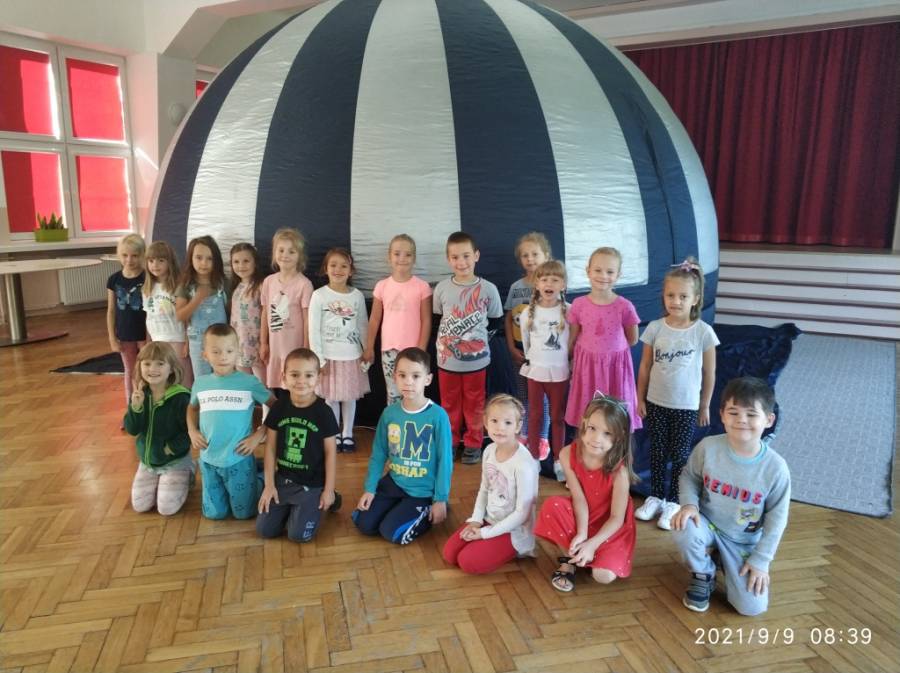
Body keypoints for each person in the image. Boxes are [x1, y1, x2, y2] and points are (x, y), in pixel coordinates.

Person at [672, 377, 790, 616]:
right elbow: (689, 477)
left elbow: (776, 521)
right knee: (683, 525)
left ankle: (721, 559)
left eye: (751, 414)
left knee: (751, 608)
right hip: (708, 526)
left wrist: (761, 560)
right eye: (733, 412)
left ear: (769, 420)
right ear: (722, 415)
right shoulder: (708, 447)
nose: (741, 420)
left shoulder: (776, 468)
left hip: (742, 541)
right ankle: (703, 573)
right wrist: (689, 505)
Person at [636, 258, 719, 530]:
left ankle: (674, 500)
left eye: (683, 296)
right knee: (657, 450)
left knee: (680, 454)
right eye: (671, 295)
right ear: (663, 296)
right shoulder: (655, 328)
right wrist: (640, 397)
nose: (676, 301)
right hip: (656, 401)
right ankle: (655, 496)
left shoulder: (703, 332)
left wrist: (704, 405)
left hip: (686, 405)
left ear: (695, 299)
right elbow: (645, 366)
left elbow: (709, 372)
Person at [535, 394, 638, 593]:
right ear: (584, 424)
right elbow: (579, 498)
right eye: (592, 428)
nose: (597, 439)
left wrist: (592, 544)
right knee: (552, 505)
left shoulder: (620, 472)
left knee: (603, 576)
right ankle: (569, 559)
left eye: (607, 433)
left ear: (620, 436)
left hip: (610, 527)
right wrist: (582, 534)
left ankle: (590, 554)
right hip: (582, 514)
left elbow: (616, 518)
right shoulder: (567, 454)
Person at [353, 347, 453, 544]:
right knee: (363, 523)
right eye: (402, 375)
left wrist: (440, 498)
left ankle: (427, 510)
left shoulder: (438, 416)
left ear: (428, 379)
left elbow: (445, 461)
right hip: (394, 483)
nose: (408, 381)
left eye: (416, 376)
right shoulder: (389, 413)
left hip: (422, 491)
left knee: (391, 533)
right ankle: (397, 507)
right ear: (395, 377)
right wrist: (370, 489)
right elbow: (379, 454)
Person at [442, 394, 539, 574]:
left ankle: (518, 549)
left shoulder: (524, 465)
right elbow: (485, 489)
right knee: (450, 554)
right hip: (489, 520)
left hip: (514, 530)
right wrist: (476, 520)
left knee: (467, 562)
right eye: (494, 421)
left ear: (518, 426)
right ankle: (488, 540)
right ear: (486, 422)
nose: (500, 428)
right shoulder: (488, 450)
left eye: (508, 423)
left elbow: (522, 514)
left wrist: (484, 534)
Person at [187, 324, 274, 520]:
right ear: (205, 355)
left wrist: (259, 434)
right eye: (216, 351)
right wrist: (192, 430)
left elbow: (276, 407)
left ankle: (259, 477)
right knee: (215, 514)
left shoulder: (249, 382)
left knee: (244, 514)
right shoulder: (200, 383)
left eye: (229, 351)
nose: (223, 357)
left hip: (238, 458)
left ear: (238, 352)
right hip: (208, 459)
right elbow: (191, 408)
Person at [257, 348, 341, 542]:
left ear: (318, 378)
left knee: (298, 536)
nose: (301, 381)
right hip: (283, 480)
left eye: (308, 375)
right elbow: (270, 448)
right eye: (295, 375)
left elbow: (331, 453)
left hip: (312, 484)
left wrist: (328, 490)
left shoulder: (324, 412)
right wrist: (269, 485)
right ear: (284, 377)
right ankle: (291, 507)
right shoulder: (279, 407)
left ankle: (333, 498)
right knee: (265, 531)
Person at [433, 231, 504, 464]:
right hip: (447, 361)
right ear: (448, 259)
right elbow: (437, 320)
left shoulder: (488, 289)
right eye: (455, 257)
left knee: (475, 403)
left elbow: (496, 321)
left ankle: (473, 443)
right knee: (449, 403)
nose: (461, 262)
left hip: (477, 361)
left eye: (466, 256)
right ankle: (451, 441)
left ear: (476, 256)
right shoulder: (442, 288)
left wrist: (476, 344)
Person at [564, 247, 641, 432]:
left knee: (615, 419)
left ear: (618, 275)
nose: (603, 276)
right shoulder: (578, 305)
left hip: (615, 368)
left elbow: (633, 339)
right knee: (588, 415)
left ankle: (616, 446)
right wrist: (572, 362)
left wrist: (610, 352)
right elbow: (573, 338)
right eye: (598, 270)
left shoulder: (624, 306)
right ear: (588, 271)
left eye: (610, 272)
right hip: (587, 367)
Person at [308, 248, 370, 451]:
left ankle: (348, 433)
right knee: (332, 397)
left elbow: (362, 325)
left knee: (349, 396)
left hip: (352, 356)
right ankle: (333, 433)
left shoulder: (357, 296)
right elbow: (313, 329)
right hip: (328, 357)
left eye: (344, 266)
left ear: (351, 271)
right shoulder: (319, 295)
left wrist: (366, 351)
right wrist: (319, 358)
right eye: (333, 265)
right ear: (326, 268)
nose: (338, 270)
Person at [125, 341, 193, 515]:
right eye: (147, 364)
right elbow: (132, 430)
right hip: (148, 462)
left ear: (171, 369)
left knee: (166, 509)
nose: (152, 369)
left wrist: (170, 449)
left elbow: (191, 433)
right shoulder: (141, 395)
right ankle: (158, 479)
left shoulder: (181, 398)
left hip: (174, 460)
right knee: (140, 506)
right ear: (140, 367)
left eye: (160, 364)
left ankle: (189, 471)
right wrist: (136, 407)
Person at [363, 234, 432, 406]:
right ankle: (394, 423)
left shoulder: (422, 287)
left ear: (414, 258)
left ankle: (414, 420)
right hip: (389, 350)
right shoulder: (382, 286)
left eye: (408, 254)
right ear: (389, 257)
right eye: (397, 254)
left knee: (414, 391)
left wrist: (421, 350)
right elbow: (374, 319)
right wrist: (369, 347)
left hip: (414, 350)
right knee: (393, 392)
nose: (402, 258)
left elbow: (426, 320)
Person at [520, 260, 570, 479]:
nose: (549, 284)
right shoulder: (528, 313)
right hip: (537, 372)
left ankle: (559, 460)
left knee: (558, 416)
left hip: (560, 373)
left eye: (555, 279)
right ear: (537, 283)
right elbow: (526, 343)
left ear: (563, 285)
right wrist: (535, 360)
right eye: (544, 279)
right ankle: (533, 458)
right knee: (535, 415)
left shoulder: (569, 311)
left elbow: (573, 341)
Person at [504, 232, 552, 459]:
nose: (530, 259)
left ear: (546, 256)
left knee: (542, 398)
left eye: (535, 254)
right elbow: (508, 318)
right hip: (521, 353)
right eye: (525, 255)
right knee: (523, 394)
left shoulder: (552, 285)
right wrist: (511, 347)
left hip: (543, 354)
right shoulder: (516, 287)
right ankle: (524, 434)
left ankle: (542, 437)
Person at [259, 228, 313, 387]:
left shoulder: (304, 284)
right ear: (274, 253)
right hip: (275, 348)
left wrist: (306, 347)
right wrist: (263, 342)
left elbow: (307, 319)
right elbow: (265, 313)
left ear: (299, 256)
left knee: (294, 386)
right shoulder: (268, 282)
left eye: (291, 251)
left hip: (295, 347)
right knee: (277, 386)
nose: (285, 255)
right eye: (281, 250)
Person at [175, 236, 228, 378]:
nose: (204, 263)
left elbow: (230, 312)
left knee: (223, 377)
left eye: (209, 258)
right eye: (199, 258)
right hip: (198, 343)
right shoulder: (186, 286)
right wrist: (197, 299)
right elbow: (179, 316)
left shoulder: (222, 283)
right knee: (202, 379)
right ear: (191, 259)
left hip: (223, 341)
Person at [143, 240, 192, 388]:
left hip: (177, 338)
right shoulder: (147, 288)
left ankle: (187, 402)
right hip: (157, 339)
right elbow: (149, 316)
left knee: (183, 378)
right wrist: (148, 342)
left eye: (161, 260)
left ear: (170, 262)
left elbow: (186, 317)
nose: (155, 265)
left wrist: (187, 341)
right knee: (164, 381)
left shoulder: (178, 286)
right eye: (151, 261)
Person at [107, 233, 146, 407]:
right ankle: (132, 407)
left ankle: (147, 404)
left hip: (144, 333)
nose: (129, 260)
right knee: (130, 370)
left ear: (142, 255)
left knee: (146, 369)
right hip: (124, 334)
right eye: (125, 255)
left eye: (134, 255)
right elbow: (111, 310)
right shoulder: (114, 280)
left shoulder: (147, 278)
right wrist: (112, 337)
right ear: (119, 255)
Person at [229, 242, 266, 383]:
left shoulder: (261, 286)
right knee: (244, 384)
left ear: (255, 262)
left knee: (261, 385)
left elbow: (265, 315)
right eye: (236, 262)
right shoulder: (236, 287)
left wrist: (264, 343)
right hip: (238, 345)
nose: (241, 266)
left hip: (256, 345)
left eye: (246, 261)